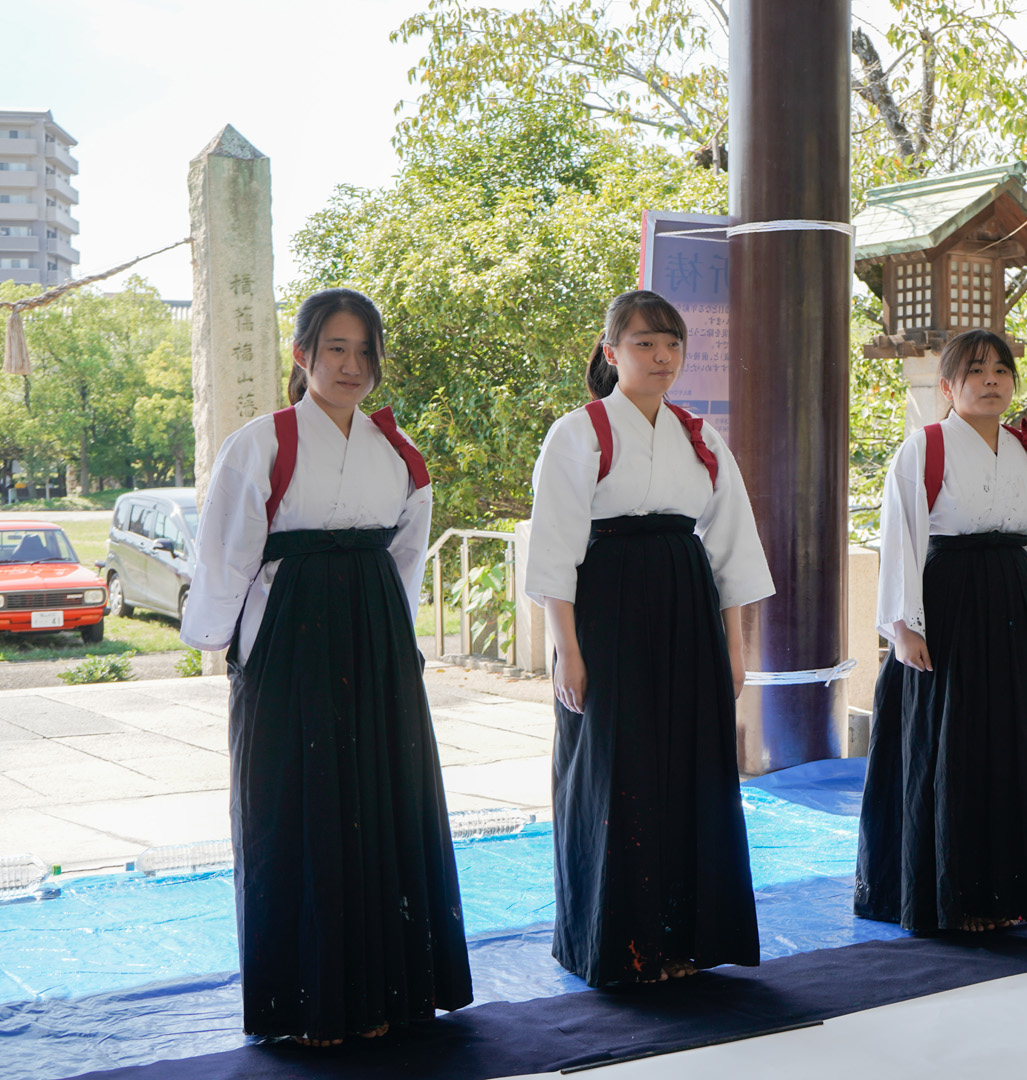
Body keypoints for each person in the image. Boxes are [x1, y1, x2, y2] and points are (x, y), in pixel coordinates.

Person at [180, 288, 472, 1045]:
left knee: (386, 799)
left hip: (375, 636)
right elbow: (227, 551)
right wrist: (225, 641)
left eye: (364, 351)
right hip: (289, 635)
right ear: (303, 354)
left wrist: (396, 638)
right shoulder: (261, 443)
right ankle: (306, 1005)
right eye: (336, 348)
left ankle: (388, 993)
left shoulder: (398, 453)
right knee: (295, 804)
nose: (351, 365)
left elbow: (406, 557)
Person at [525, 289, 774, 987]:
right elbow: (554, 553)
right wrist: (567, 651)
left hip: (689, 607)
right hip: (608, 612)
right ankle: (618, 947)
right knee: (616, 767)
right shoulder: (577, 433)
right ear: (611, 352)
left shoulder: (701, 438)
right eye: (644, 343)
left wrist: (734, 651)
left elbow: (731, 551)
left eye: (671, 344)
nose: (661, 356)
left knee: (693, 770)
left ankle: (685, 938)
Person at [856, 329, 1027, 932]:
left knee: (1018, 744)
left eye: (1001, 371)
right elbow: (901, 539)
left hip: (1016, 604)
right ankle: (958, 898)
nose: (991, 381)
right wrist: (905, 629)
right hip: (950, 605)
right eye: (975, 371)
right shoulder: (924, 448)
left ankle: (1014, 894)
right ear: (948, 386)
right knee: (957, 745)